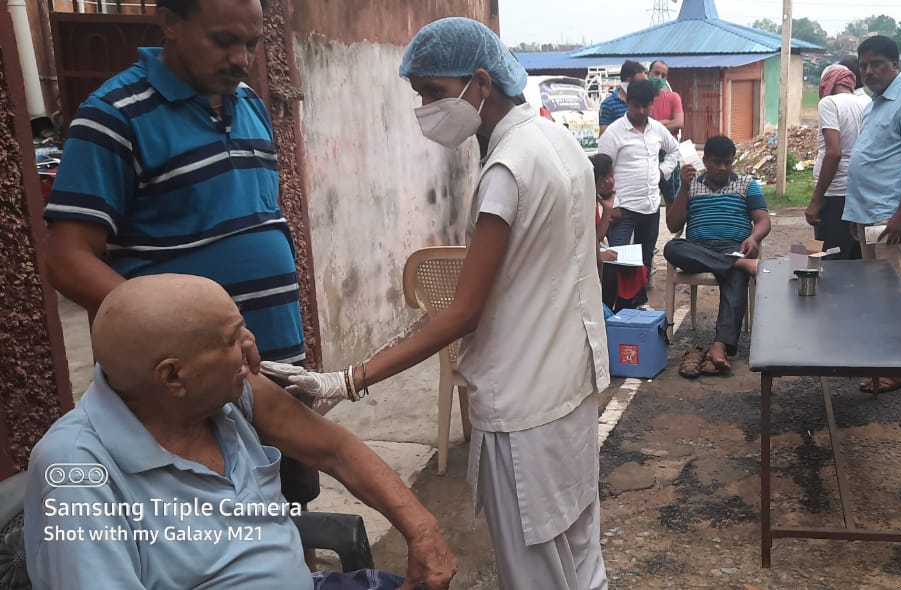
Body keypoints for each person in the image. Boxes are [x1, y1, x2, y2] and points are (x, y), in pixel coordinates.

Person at [263, 18, 611, 589]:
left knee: (535, 574)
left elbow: (461, 312)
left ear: (482, 82)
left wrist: (347, 380)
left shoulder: (507, 169)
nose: (425, 108)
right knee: (580, 557)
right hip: (571, 389)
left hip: (523, 410)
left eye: (433, 92)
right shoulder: (560, 143)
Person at [41, 0, 319, 521]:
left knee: (290, 515)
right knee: (203, 532)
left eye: (251, 43)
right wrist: (178, 330)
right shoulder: (113, 115)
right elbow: (67, 257)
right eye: (223, 41)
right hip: (185, 384)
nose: (241, 59)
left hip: (273, 368)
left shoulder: (249, 103)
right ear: (170, 22)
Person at [24, 275, 455, 590]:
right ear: (173, 376)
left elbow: (335, 449)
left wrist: (422, 529)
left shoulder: (222, 394)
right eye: (232, 339)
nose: (251, 349)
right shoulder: (76, 469)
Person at [845, 35, 901, 394]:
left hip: (888, 217)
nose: (869, 71)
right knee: (874, 294)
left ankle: (898, 368)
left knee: (893, 293)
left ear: (895, 64)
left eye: (877, 64)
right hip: (868, 213)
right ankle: (881, 361)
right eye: (863, 65)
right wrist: (855, 213)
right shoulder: (874, 103)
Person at [664, 136, 770, 377]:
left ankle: (719, 346)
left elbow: (763, 220)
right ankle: (740, 263)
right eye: (716, 162)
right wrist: (684, 189)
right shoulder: (691, 185)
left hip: (733, 247)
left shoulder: (747, 184)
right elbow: (673, 225)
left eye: (728, 162)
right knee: (672, 247)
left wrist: (754, 238)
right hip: (697, 250)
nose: (723, 167)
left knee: (736, 275)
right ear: (705, 161)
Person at [597, 79, 679, 305]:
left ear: (651, 104)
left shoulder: (657, 129)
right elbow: (601, 171)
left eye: (646, 106)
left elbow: (674, 151)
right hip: (623, 210)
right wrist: (611, 205)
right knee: (620, 260)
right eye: (636, 106)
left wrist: (662, 171)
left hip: (650, 207)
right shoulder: (614, 133)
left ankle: (637, 308)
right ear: (628, 103)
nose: (641, 111)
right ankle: (614, 311)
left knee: (644, 261)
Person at [803, 64, 870, 260]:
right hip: (860, 191)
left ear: (827, 83)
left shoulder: (829, 103)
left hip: (834, 194)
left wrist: (816, 200)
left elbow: (834, 153)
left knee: (829, 256)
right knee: (855, 256)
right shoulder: (866, 104)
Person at [591, 153, 647, 311]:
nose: (613, 181)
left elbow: (598, 236)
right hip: (587, 254)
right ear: (601, 180)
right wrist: (598, 255)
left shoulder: (596, 198)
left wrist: (607, 209)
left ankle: (623, 310)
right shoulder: (584, 199)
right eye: (611, 176)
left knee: (635, 267)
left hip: (596, 248)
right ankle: (608, 311)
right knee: (611, 270)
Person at [649, 60, 685, 205]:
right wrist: (665, 124)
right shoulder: (642, 100)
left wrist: (654, 125)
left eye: (663, 75)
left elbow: (679, 123)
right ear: (648, 74)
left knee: (673, 199)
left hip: (669, 153)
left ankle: (673, 221)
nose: (659, 78)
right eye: (656, 73)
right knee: (648, 198)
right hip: (648, 153)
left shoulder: (673, 97)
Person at [597, 59, 646, 134]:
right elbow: (604, 134)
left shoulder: (644, 103)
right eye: (639, 83)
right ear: (628, 81)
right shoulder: (608, 104)